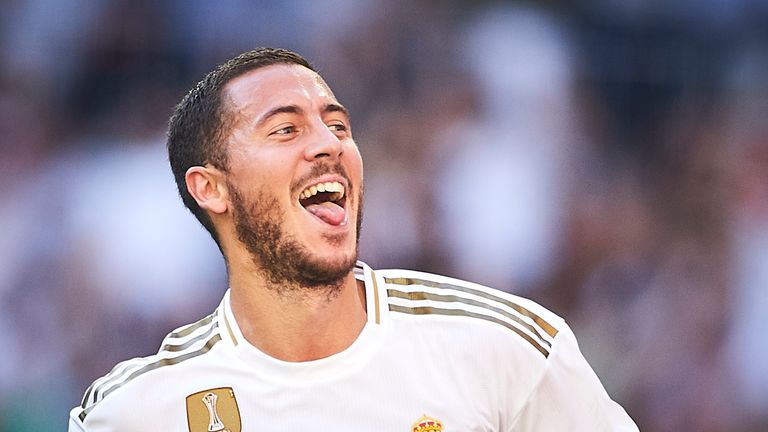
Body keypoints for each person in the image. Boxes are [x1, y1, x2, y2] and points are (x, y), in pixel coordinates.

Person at [68, 47, 638, 431]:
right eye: (286, 129)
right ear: (211, 189)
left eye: (337, 126)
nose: (328, 144)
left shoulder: (505, 348)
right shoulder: (137, 411)